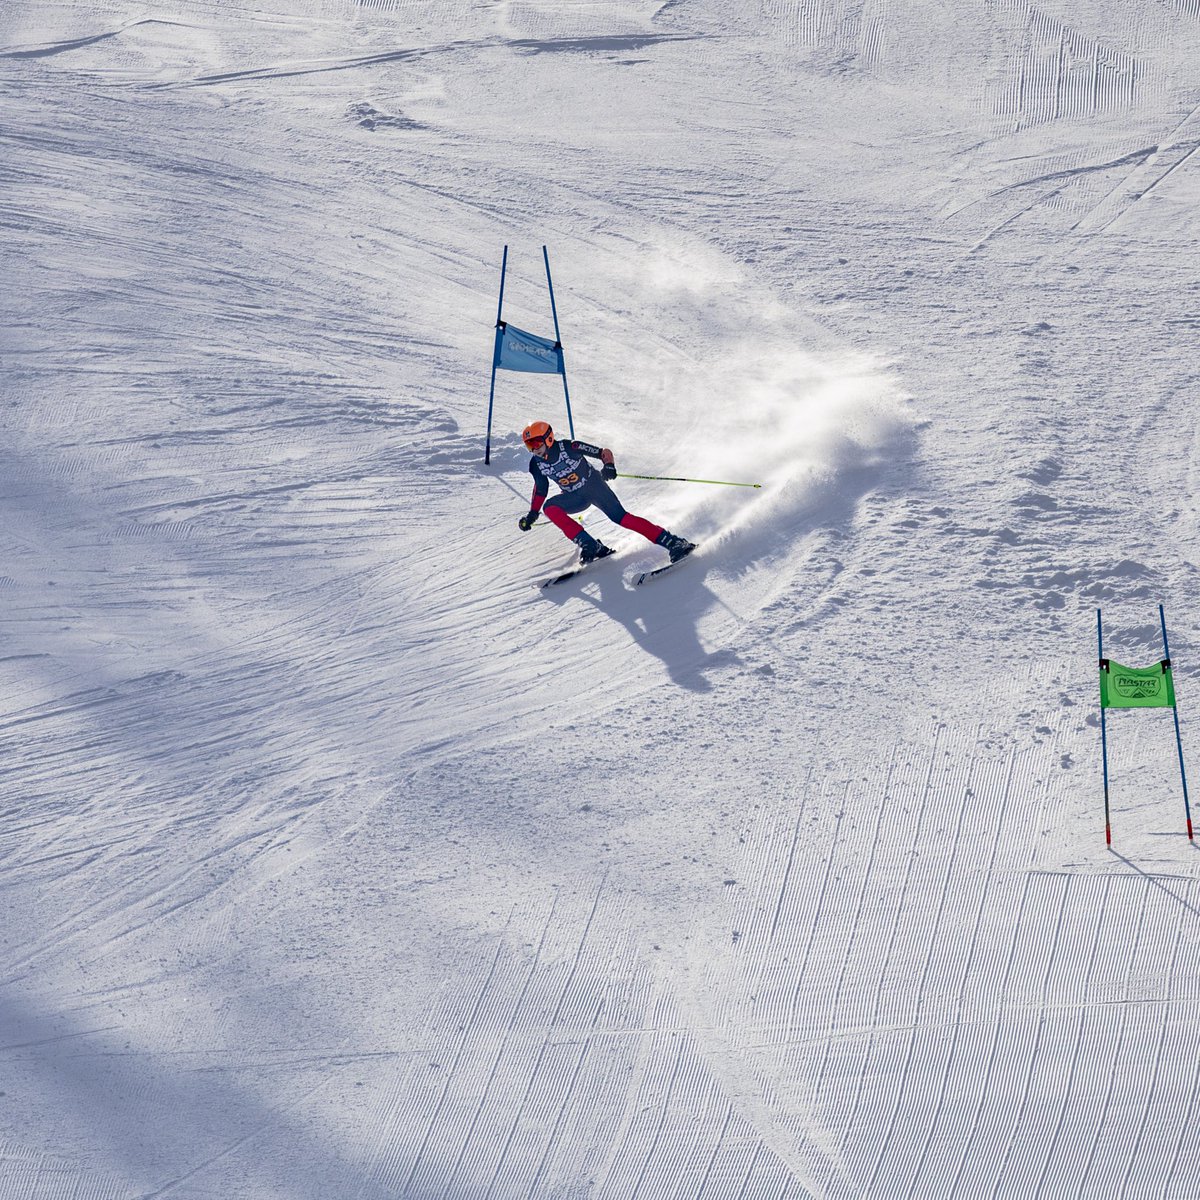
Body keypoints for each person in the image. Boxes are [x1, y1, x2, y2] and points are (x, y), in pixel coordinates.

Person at [516, 420, 696, 565]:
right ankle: (590, 544)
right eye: (529, 446)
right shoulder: (536, 464)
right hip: (574, 497)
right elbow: (541, 488)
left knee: (622, 518)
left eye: (536, 443)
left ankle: (674, 542)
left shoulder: (570, 447)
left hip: (594, 487)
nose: (534, 449)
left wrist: (609, 465)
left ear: (548, 438)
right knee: (550, 508)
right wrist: (533, 514)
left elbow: (603, 452)